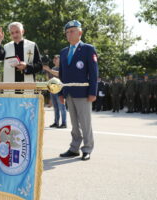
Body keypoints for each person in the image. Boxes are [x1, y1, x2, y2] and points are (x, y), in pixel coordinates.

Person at [58, 20, 98, 161]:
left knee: (85, 123)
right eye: (67, 32)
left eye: (73, 31)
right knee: (74, 124)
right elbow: (61, 75)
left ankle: (87, 148)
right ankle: (74, 148)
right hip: (68, 93)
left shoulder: (88, 49)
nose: (69, 34)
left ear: (80, 33)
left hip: (83, 93)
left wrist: (93, 92)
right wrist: (61, 93)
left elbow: (93, 73)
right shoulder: (63, 52)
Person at [43, 55, 67, 128]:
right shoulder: (53, 68)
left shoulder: (63, 67)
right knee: (55, 108)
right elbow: (50, 80)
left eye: (56, 58)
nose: (54, 59)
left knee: (62, 107)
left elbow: (58, 74)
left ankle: (64, 123)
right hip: (53, 90)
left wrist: (49, 70)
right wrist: (46, 71)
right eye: (54, 58)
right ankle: (56, 122)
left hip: (60, 90)